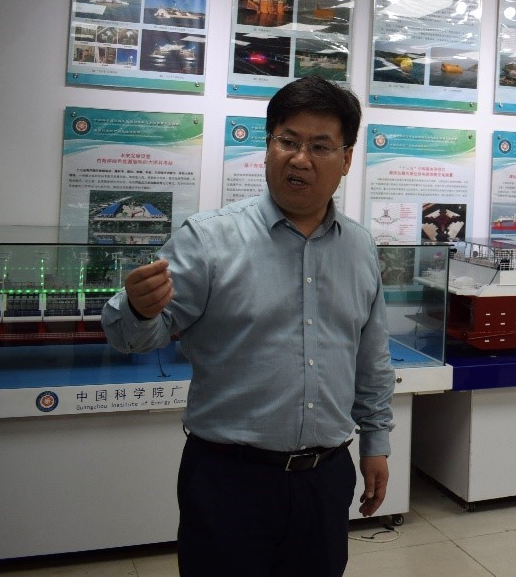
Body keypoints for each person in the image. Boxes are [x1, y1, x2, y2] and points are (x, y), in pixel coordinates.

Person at [102, 75, 394, 577]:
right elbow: (134, 338)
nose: (299, 159)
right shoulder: (208, 240)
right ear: (267, 147)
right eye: (287, 141)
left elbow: (372, 358)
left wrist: (376, 442)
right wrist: (140, 308)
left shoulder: (360, 247)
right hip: (228, 481)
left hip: (325, 477)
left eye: (320, 146)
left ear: (346, 159)